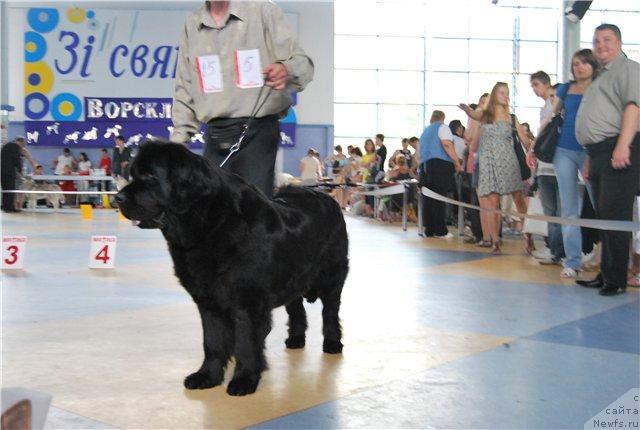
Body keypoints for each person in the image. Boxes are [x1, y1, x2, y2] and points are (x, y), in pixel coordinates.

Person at [171, 1, 314, 198]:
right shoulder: (193, 24)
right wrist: (178, 141)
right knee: (213, 209)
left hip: (258, 131)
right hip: (215, 133)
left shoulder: (263, 11)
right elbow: (185, 85)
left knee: (254, 211)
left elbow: (303, 63)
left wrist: (286, 69)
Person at [575, 24, 640, 296]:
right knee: (604, 216)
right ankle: (606, 273)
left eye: (607, 40)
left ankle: (616, 279)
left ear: (619, 42)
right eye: (596, 40)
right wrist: (591, 158)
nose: (601, 45)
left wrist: (623, 145)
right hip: (599, 152)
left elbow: (633, 106)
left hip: (619, 148)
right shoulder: (600, 75)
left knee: (616, 216)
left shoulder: (629, 69)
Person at [528, 49, 599, 279]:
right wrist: (534, 146)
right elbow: (550, 118)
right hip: (564, 150)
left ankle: (606, 254)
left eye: (585, 63)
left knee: (601, 205)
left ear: (593, 65)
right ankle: (573, 260)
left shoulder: (600, 86)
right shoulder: (566, 88)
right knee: (569, 208)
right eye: (576, 63)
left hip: (591, 150)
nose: (580, 67)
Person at [465, 82, 531, 254]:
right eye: (502, 92)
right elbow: (474, 114)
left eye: (507, 93)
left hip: (508, 160)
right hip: (489, 162)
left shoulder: (511, 117)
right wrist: (467, 111)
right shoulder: (485, 115)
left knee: (519, 199)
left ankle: (528, 236)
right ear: (495, 94)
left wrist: (534, 148)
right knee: (493, 203)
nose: (505, 95)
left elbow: (524, 140)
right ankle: (495, 240)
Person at [528, 70, 564, 264]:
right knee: (550, 212)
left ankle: (559, 250)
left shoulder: (559, 115)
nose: (535, 90)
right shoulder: (545, 111)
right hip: (544, 169)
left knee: (560, 212)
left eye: (536, 85)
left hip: (558, 168)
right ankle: (553, 249)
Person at [418, 110, 461, 238]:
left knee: (428, 199)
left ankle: (429, 230)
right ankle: (441, 230)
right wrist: (456, 161)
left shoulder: (425, 131)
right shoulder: (443, 127)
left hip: (425, 167)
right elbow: (447, 144)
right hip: (440, 166)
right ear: (443, 118)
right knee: (439, 198)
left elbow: (418, 153)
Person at [1, 137, 26, 213]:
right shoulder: (15, 147)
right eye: (23, 144)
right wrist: (20, 169)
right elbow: (16, 159)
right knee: (10, 190)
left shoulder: (6, 145)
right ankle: (9, 208)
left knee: (5, 189)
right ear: (20, 142)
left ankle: (5, 206)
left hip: (2, 170)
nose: (22, 146)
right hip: (9, 172)